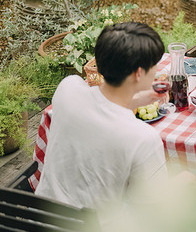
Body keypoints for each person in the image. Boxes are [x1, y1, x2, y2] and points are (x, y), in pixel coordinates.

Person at [36, 22, 171, 213]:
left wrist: (135, 100)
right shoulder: (143, 138)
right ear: (139, 73)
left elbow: (99, 111)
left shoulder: (68, 88)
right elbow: (151, 212)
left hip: (41, 218)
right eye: (155, 65)